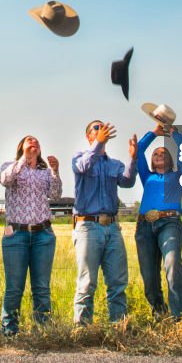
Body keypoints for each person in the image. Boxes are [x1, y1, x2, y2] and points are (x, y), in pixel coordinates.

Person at [71, 120, 137, 324]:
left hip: (112, 227)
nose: (101, 130)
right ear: (89, 136)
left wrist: (133, 159)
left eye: (102, 127)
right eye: (96, 128)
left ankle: (118, 327)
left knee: (117, 282)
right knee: (87, 283)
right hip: (88, 227)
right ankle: (82, 330)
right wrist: (97, 145)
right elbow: (83, 167)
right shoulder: (79, 158)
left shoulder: (114, 164)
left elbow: (127, 182)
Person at [0, 135, 62, 336]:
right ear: (21, 147)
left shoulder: (44, 172)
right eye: (29, 141)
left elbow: (56, 195)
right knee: (14, 287)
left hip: (42, 234)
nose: (33, 143)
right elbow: (5, 180)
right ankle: (9, 331)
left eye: (36, 141)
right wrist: (23, 159)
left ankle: (42, 331)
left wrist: (55, 171)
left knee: (41, 287)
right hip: (16, 234)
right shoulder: (11, 166)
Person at [133, 123, 182, 320]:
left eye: (163, 153)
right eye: (155, 154)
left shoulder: (179, 176)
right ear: (151, 160)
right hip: (144, 226)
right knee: (149, 275)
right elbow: (138, 150)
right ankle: (159, 314)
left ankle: (179, 317)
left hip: (169, 223)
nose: (159, 155)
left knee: (172, 263)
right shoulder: (147, 176)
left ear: (170, 158)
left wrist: (175, 135)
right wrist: (153, 134)